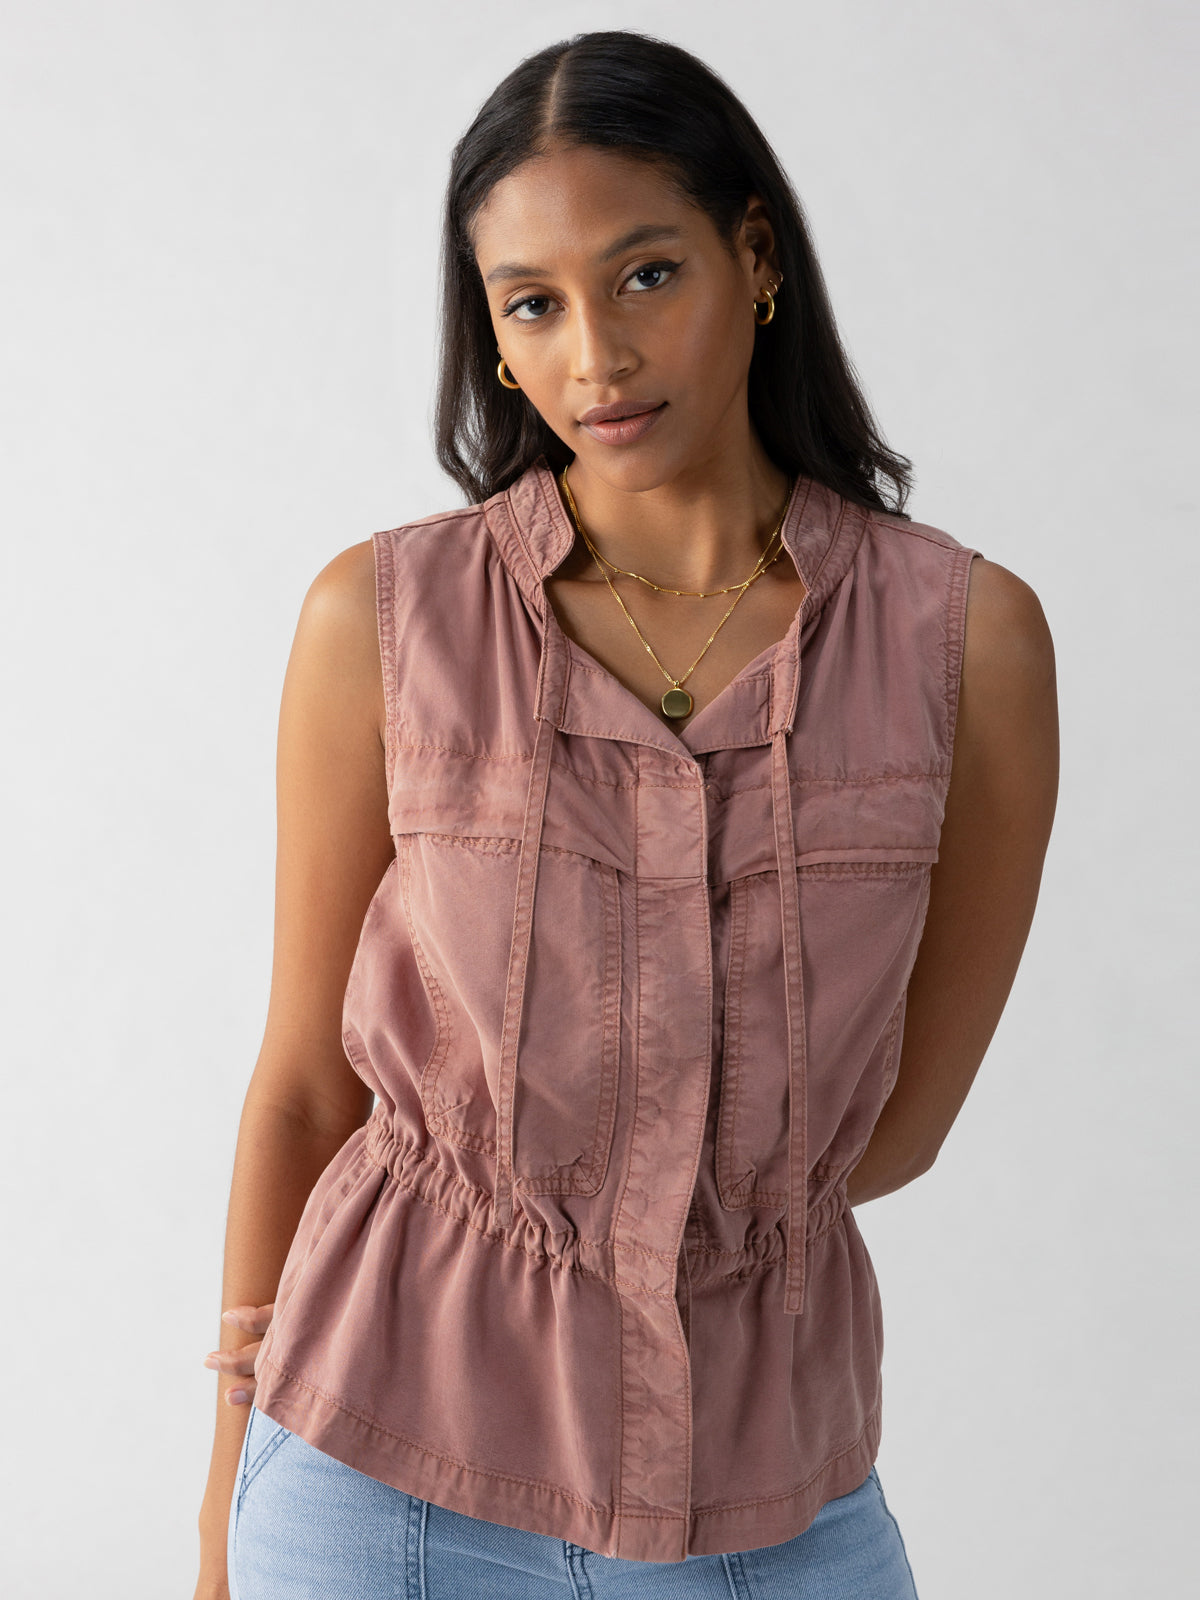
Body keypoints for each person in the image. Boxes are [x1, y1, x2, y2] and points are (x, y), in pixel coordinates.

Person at [195, 29, 1058, 1600]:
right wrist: (221, 1502)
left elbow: (895, 1129)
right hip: (368, 1485)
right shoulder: (383, 621)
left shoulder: (966, 645)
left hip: (766, 1505)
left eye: (646, 274)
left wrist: (669, 1221)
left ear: (756, 257)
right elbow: (302, 1095)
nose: (596, 353)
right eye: (534, 304)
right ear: (498, 340)